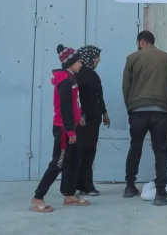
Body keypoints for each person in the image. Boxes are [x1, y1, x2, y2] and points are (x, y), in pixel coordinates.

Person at [30, 45, 89, 213]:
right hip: (64, 129)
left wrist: (78, 119)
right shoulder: (64, 81)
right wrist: (70, 131)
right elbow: (64, 109)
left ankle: (69, 195)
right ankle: (37, 198)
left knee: (73, 161)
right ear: (70, 63)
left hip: (72, 126)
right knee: (58, 162)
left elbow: (73, 105)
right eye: (78, 61)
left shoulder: (71, 78)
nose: (81, 64)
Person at [122, 30, 167, 206]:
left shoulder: (132, 58)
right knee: (161, 151)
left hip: (138, 111)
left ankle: (130, 186)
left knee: (135, 147)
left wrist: (130, 109)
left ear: (141, 42)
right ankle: (161, 193)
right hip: (160, 112)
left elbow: (126, 87)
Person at [75, 45, 109, 197]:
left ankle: (85, 184)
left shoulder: (93, 75)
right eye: (97, 57)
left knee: (90, 150)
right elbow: (77, 97)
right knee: (83, 150)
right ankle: (82, 185)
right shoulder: (79, 74)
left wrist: (104, 112)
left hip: (93, 119)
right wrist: (80, 114)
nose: (99, 60)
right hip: (84, 119)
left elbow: (98, 95)